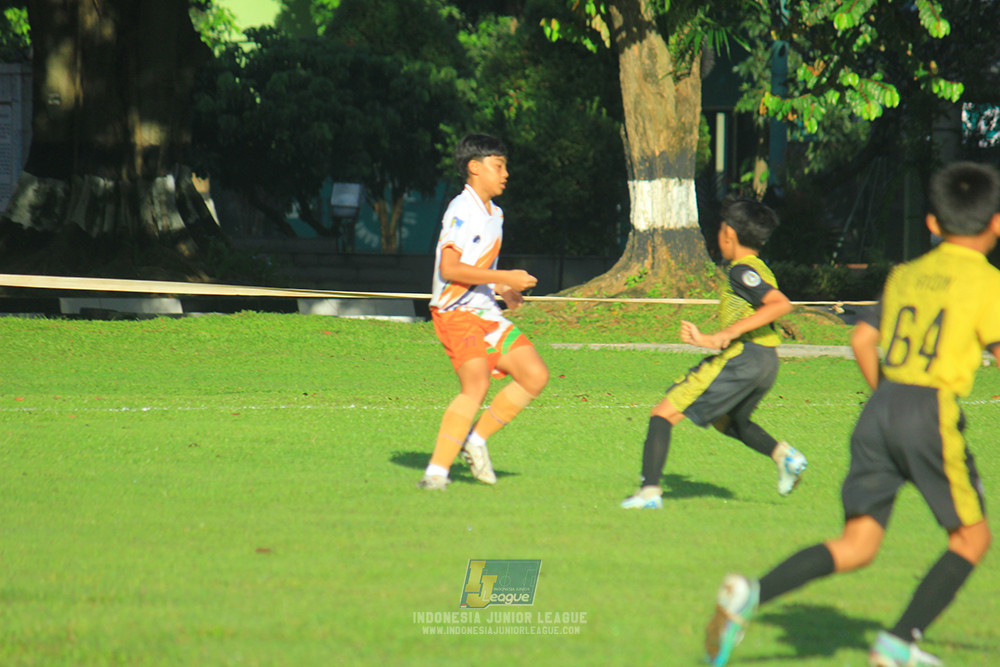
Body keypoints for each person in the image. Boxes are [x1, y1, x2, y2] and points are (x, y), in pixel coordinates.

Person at [704, 161, 1000, 667]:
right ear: (996, 225)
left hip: (879, 411)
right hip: (927, 411)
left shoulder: (907, 274)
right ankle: (897, 643)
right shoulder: (988, 282)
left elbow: (862, 337)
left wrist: (887, 397)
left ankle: (750, 594)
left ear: (931, 223)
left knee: (858, 544)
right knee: (972, 537)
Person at [621, 197, 807, 509]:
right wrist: (708, 339)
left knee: (662, 413)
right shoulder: (759, 268)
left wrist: (727, 333)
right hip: (764, 361)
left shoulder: (741, 271)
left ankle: (649, 493)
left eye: (720, 228)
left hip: (745, 360)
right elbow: (751, 320)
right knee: (730, 421)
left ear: (729, 234)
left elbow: (779, 304)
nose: (718, 235)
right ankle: (784, 456)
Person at [417, 133, 549, 490]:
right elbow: (451, 270)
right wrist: (505, 275)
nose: (505, 173)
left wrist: (500, 288)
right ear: (474, 168)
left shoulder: (496, 214)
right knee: (476, 384)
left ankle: (475, 441)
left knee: (535, 375)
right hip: (456, 312)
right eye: (498, 166)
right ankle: (436, 475)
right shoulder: (462, 209)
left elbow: (477, 267)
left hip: (484, 311)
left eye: (505, 166)